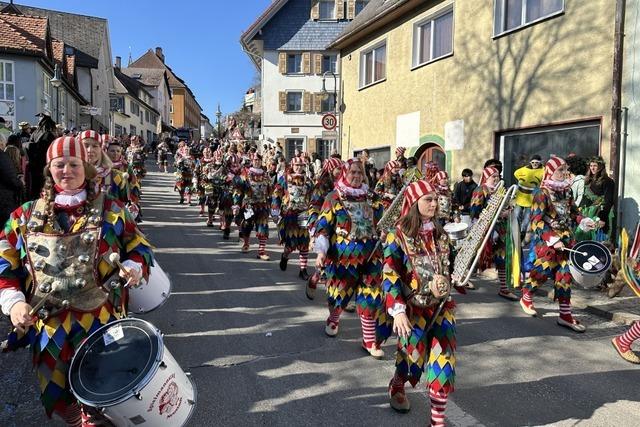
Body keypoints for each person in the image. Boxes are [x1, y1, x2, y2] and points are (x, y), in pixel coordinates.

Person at [0, 136, 153, 424]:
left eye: (74, 164)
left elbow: (139, 246)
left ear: (87, 167)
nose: (67, 170)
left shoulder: (112, 209)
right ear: (49, 170)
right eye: (59, 165)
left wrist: (133, 265)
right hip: (49, 326)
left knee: (100, 392)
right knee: (61, 396)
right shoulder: (23, 216)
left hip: (100, 319)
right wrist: (14, 303)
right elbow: (4, 264)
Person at [381, 180, 456, 425]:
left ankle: (437, 421)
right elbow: (390, 273)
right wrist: (398, 311)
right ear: (414, 204)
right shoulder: (398, 235)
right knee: (410, 357)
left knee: (443, 363)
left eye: (436, 199)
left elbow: (451, 270)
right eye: (428, 199)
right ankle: (398, 384)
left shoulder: (442, 235)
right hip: (411, 309)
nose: (434, 203)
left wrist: (456, 277)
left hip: (441, 308)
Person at [313, 158, 386, 358]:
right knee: (339, 295)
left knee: (370, 296)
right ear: (345, 173)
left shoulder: (372, 197)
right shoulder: (333, 197)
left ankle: (369, 340)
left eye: (360, 173)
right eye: (353, 172)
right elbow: (323, 226)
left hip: (371, 255)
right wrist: (321, 252)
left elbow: (383, 221)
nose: (356, 176)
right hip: (342, 257)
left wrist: (383, 231)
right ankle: (334, 318)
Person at [520, 156, 596, 332]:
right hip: (547, 243)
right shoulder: (541, 193)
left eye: (565, 169)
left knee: (565, 276)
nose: (564, 173)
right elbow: (536, 221)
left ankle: (565, 315)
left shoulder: (566, 191)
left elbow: (573, 213)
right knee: (541, 272)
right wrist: (552, 239)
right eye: (560, 170)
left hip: (566, 241)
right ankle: (526, 295)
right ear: (551, 171)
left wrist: (584, 220)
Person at [470, 166, 518, 300]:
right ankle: (462, 277)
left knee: (502, 258)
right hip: (485, 231)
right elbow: (475, 212)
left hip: (501, 231)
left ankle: (504, 288)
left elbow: (507, 206)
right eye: (493, 176)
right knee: (475, 257)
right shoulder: (481, 190)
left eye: (498, 176)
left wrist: (508, 211)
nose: (496, 179)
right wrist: (493, 216)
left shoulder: (501, 191)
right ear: (486, 177)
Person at [306, 157, 343, 299]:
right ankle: (314, 278)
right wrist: (314, 232)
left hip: (340, 229)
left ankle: (339, 298)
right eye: (338, 168)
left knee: (337, 264)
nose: (341, 171)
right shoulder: (320, 187)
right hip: (325, 228)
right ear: (330, 169)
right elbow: (314, 209)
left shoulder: (343, 185)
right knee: (326, 262)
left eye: (342, 168)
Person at [272, 157, 313, 280]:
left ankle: (303, 270)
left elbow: (313, 197)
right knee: (291, 243)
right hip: (289, 214)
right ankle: (285, 256)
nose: (299, 167)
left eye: (301, 165)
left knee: (304, 242)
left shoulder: (309, 181)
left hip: (304, 214)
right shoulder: (284, 179)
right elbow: (276, 194)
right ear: (292, 165)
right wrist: (275, 210)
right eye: (296, 165)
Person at [235, 153, 271, 260]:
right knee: (247, 225)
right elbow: (238, 190)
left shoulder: (266, 174)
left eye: (259, 160)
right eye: (255, 159)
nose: (257, 161)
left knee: (263, 227)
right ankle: (246, 243)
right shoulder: (246, 173)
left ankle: (261, 251)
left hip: (262, 205)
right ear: (252, 161)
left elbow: (271, 190)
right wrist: (236, 204)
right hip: (249, 205)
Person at [580, 156, 615, 241]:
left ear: (601, 166)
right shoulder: (588, 180)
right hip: (588, 213)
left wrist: (602, 218)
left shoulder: (608, 181)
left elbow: (608, 201)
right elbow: (585, 197)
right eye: (591, 165)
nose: (592, 168)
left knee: (599, 239)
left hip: (601, 213)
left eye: (595, 165)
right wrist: (580, 212)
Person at [513, 155, 544, 241]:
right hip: (520, 197)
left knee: (526, 219)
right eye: (533, 162)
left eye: (537, 163)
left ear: (540, 162)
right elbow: (516, 173)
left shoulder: (542, 171)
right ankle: (516, 231)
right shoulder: (524, 169)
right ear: (530, 162)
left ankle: (522, 233)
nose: (534, 164)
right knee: (516, 215)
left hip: (531, 200)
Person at [0, 148, 24, 226]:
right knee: (8, 230)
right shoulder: (2, 156)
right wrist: (20, 183)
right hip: (4, 201)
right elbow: (11, 178)